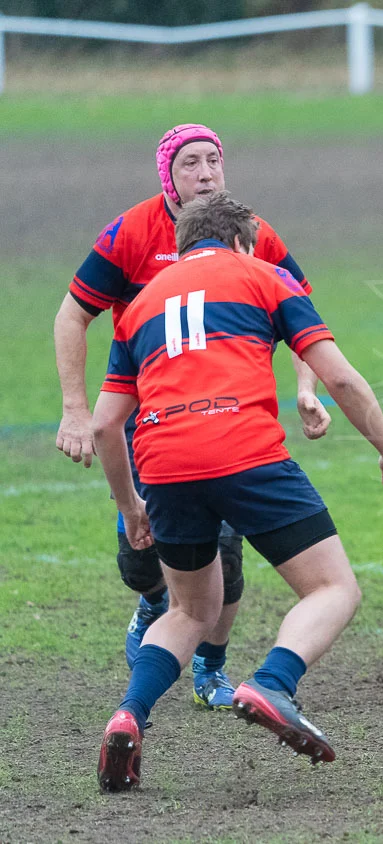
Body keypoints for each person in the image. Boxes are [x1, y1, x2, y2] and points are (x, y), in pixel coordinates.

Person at [94, 192, 383, 792]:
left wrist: (131, 506)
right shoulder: (264, 275)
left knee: (190, 610)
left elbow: (106, 424)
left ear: (184, 245)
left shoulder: (139, 306)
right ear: (243, 241)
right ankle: (272, 682)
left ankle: (128, 715)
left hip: (162, 461)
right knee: (333, 587)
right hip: (244, 450)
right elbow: (338, 374)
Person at [54, 123, 329, 709]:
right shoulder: (129, 232)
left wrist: (307, 388)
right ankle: (157, 605)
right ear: (167, 177)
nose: (205, 174)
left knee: (223, 555)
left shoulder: (249, 233)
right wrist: (76, 411)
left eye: (214, 161)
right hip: (143, 414)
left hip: (224, 417)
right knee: (141, 559)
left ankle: (209, 667)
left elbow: (305, 314)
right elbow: (71, 315)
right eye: (190, 164)